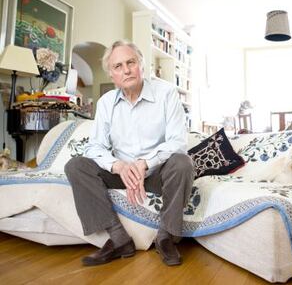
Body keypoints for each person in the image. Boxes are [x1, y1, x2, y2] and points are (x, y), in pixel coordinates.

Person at [64, 40, 194, 267]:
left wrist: (145, 163)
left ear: (142, 66)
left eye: (131, 62)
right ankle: (118, 238)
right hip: (120, 173)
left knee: (182, 162)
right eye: (118, 66)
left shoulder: (167, 93)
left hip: (156, 174)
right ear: (112, 75)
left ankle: (165, 236)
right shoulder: (106, 103)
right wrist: (119, 166)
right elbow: (95, 147)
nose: (126, 70)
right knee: (76, 165)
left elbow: (177, 142)